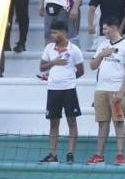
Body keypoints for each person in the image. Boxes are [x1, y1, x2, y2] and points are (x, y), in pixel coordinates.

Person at [87, 18, 125, 166]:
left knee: (118, 123)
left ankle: (120, 156)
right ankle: (99, 156)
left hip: (117, 92)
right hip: (101, 90)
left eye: (106, 29)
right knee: (102, 123)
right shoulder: (102, 45)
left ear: (114, 28)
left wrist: (121, 92)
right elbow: (92, 66)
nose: (103, 32)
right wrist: (101, 55)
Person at [39, 20, 84, 165]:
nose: (52, 35)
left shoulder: (74, 49)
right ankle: (52, 154)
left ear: (64, 33)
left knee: (72, 120)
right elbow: (41, 67)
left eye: (55, 32)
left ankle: (70, 153)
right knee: (53, 122)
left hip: (69, 89)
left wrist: (69, 79)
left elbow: (81, 70)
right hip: (53, 89)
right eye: (51, 32)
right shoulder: (49, 48)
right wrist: (53, 63)